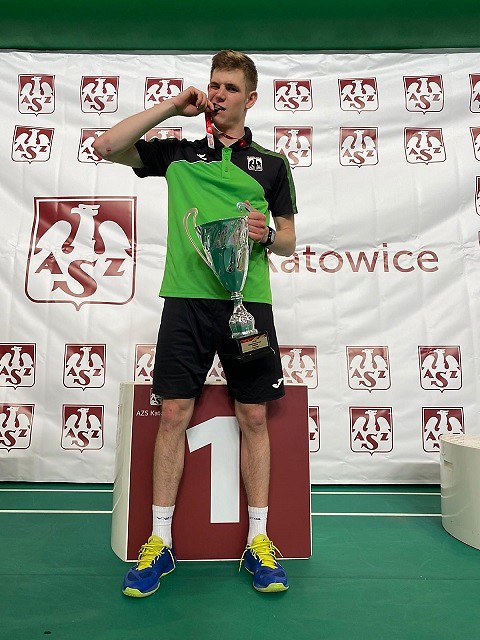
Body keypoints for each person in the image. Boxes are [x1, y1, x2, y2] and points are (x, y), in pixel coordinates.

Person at [93, 50, 297, 597]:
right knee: (173, 414)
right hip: (185, 301)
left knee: (253, 416)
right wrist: (171, 107)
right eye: (214, 85)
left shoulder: (273, 165)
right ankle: (159, 541)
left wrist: (268, 235)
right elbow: (106, 146)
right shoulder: (180, 153)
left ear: (251, 98)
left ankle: (259, 541)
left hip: (247, 303)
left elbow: (288, 239)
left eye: (231, 87)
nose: (219, 93)